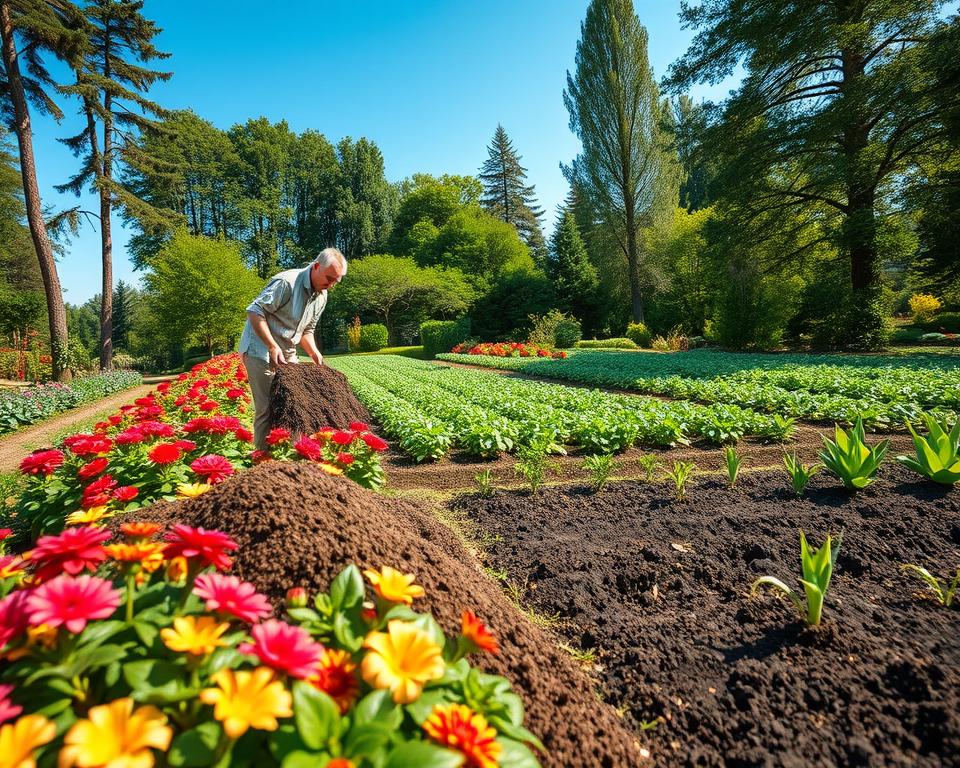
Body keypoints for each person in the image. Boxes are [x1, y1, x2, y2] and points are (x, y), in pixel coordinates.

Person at [239, 247, 348, 450]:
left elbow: (307, 330)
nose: (331, 285)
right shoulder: (286, 283)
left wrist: (313, 352)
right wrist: (272, 346)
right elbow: (254, 311)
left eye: (336, 281)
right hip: (260, 349)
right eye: (329, 278)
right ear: (316, 266)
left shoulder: (322, 295)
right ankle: (263, 461)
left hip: (287, 351)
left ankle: (295, 455)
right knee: (268, 408)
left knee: (297, 403)